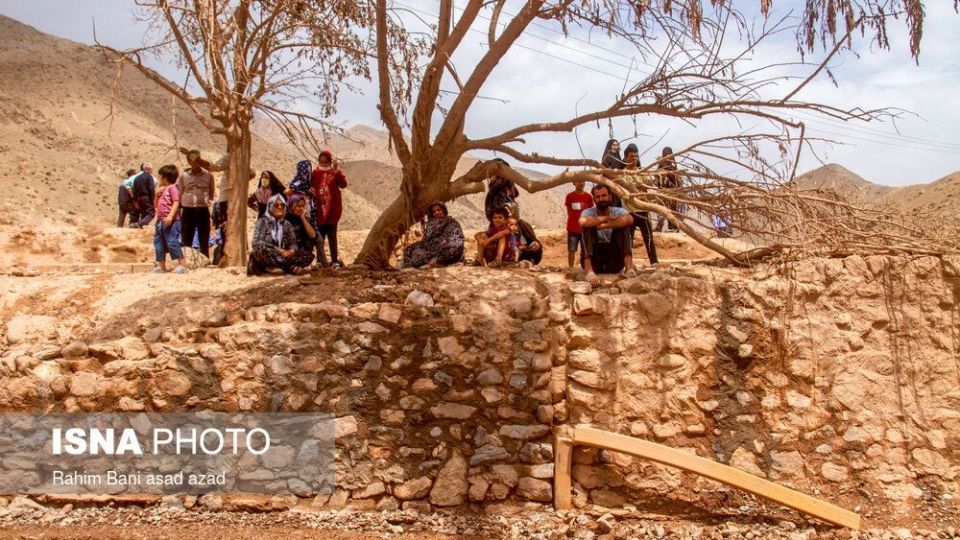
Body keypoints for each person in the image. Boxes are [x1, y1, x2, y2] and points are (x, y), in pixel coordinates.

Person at [579, 184, 634, 281]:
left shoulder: (619, 211)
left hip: (614, 261)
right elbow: (582, 222)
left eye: (604, 195)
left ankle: (629, 269)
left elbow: (629, 219)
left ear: (610, 197)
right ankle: (589, 271)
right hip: (596, 261)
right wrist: (607, 218)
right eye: (597, 197)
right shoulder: (588, 212)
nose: (601, 199)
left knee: (623, 226)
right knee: (587, 226)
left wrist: (606, 225)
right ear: (594, 199)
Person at [248, 194, 309, 276]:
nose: (280, 207)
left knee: (307, 256)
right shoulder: (262, 222)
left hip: (282, 256)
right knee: (260, 247)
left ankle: (277, 267)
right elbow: (255, 242)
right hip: (267, 254)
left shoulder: (287, 224)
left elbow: (293, 243)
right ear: (270, 207)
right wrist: (277, 249)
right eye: (276, 205)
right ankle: (290, 268)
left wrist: (292, 250)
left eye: (282, 205)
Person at [622, 144, 658, 265]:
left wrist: (636, 188)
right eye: (631, 156)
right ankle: (628, 265)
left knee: (648, 238)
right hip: (628, 211)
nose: (634, 158)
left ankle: (654, 263)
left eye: (636, 156)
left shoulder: (642, 172)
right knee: (628, 239)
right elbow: (624, 190)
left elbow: (647, 186)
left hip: (642, 210)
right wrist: (638, 188)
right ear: (625, 158)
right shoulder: (621, 174)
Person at [311, 150, 348, 268]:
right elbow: (310, 186)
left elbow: (343, 184)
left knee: (332, 237)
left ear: (330, 162)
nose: (324, 164)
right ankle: (320, 261)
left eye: (326, 162)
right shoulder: (315, 173)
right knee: (320, 238)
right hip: (319, 212)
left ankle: (335, 261)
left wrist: (337, 171)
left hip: (332, 211)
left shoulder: (335, 173)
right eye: (321, 162)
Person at [401, 202, 466, 269]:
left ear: (444, 210)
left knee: (453, 247)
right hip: (432, 248)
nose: (437, 212)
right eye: (434, 211)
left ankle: (437, 262)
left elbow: (457, 237)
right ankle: (409, 268)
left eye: (439, 210)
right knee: (409, 249)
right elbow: (426, 240)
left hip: (447, 247)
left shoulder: (452, 222)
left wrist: (443, 242)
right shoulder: (431, 224)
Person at [176, 150, 215, 259]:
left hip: (203, 210)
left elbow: (211, 193)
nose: (195, 163)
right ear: (188, 161)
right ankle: (187, 261)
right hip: (188, 210)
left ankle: (205, 260)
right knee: (186, 238)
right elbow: (180, 193)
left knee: (204, 238)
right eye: (192, 161)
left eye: (197, 160)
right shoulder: (183, 176)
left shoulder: (208, 176)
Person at [151, 164, 187, 274]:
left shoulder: (172, 188)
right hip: (160, 221)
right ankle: (161, 266)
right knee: (159, 242)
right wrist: (156, 195)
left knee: (172, 241)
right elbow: (155, 205)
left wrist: (170, 216)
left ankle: (182, 264)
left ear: (165, 177)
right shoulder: (161, 190)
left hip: (172, 221)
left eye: (160, 176)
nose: (159, 179)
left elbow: (176, 202)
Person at [564, 178, 593, 268]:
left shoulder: (588, 197)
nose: (581, 183)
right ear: (574, 183)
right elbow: (569, 212)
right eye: (579, 181)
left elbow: (591, 212)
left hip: (585, 229)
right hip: (572, 228)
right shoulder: (570, 196)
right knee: (571, 249)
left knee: (585, 250)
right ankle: (571, 268)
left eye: (583, 181)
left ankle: (586, 268)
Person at [284, 194, 317, 269]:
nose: (301, 209)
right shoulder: (284, 218)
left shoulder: (303, 218)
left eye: (303, 206)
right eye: (299, 206)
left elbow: (313, 235)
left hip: (298, 252)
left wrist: (303, 219)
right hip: (286, 250)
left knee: (309, 256)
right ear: (292, 206)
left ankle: (290, 267)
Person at [655, 146, 682, 232]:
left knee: (671, 210)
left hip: (672, 192)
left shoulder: (673, 164)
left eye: (669, 154)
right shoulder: (661, 164)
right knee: (661, 209)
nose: (667, 156)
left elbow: (676, 179)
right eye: (666, 154)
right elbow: (657, 177)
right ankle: (659, 226)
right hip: (662, 191)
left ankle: (673, 227)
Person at [130, 163, 156, 229]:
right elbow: (151, 189)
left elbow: (134, 190)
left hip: (139, 198)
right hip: (146, 197)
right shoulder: (149, 177)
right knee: (151, 213)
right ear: (148, 169)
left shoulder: (137, 178)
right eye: (151, 169)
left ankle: (141, 227)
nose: (152, 171)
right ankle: (139, 224)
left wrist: (135, 201)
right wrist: (153, 199)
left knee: (144, 212)